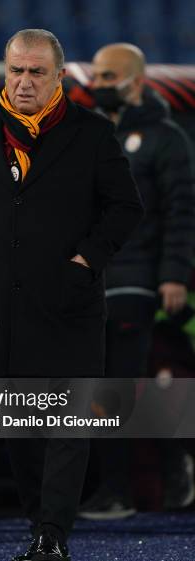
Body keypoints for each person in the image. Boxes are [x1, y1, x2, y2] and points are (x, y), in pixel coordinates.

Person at [0, 29, 143, 561]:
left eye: (37, 72)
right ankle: (41, 527)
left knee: (67, 422)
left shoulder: (91, 132)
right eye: (15, 70)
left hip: (71, 305)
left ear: (60, 77)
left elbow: (125, 209)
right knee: (18, 425)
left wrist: (85, 261)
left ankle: (53, 535)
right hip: (2, 307)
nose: (23, 82)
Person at [79, 43, 195, 520]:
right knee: (121, 383)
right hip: (92, 279)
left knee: (115, 384)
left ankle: (118, 490)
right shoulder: (86, 134)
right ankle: (172, 467)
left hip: (139, 278)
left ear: (138, 81)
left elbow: (181, 212)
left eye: (110, 77)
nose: (101, 86)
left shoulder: (166, 139)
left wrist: (173, 275)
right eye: (97, 78)